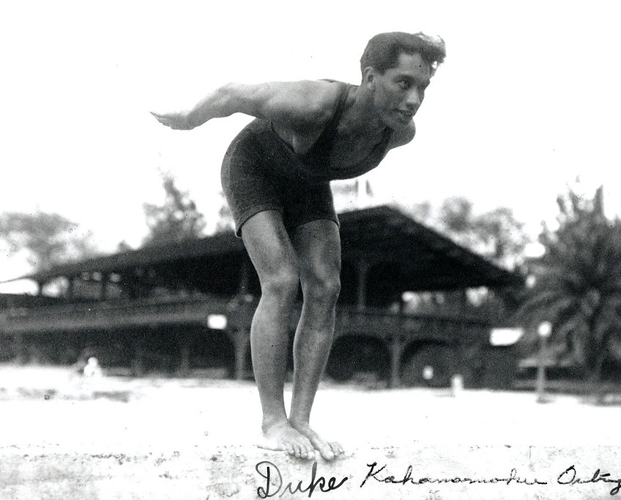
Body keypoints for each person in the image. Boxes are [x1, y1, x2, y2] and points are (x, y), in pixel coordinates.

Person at [152, 32, 445, 461]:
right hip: (254, 169)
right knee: (282, 281)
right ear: (369, 77)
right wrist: (188, 118)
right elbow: (233, 93)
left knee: (326, 286)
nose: (415, 99)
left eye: (423, 88)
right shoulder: (312, 103)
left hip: (306, 183)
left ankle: (301, 419)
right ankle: (272, 422)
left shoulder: (400, 133)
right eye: (404, 83)